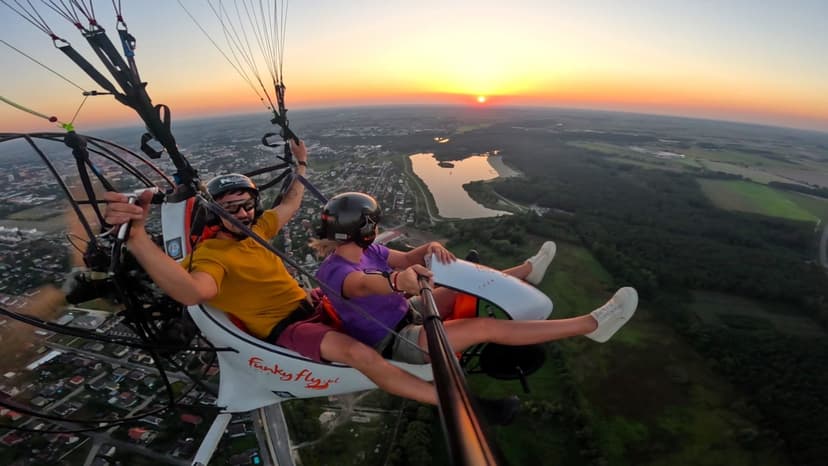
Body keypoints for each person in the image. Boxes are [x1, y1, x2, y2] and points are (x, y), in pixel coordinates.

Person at [102, 141, 519, 423]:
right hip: (289, 327)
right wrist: (137, 237)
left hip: (313, 304)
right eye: (231, 208)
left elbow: (291, 202)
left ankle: (464, 291)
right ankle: (463, 405)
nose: (243, 214)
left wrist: (300, 164)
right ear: (216, 212)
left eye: (247, 205)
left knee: (380, 298)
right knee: (359, 353)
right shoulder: (213, 254)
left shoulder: (255, 229)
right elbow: (193, 291)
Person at [311, 192, 639, 367]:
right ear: (365, 229)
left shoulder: (367, 250)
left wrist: (429, 247)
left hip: (406, 311)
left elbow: (408, 260)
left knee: (463, 287)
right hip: (395, 340)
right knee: (484, 326)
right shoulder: (335, 272)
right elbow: (363, 285)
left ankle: (527, 270)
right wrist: (397, 282)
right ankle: (592, 325)